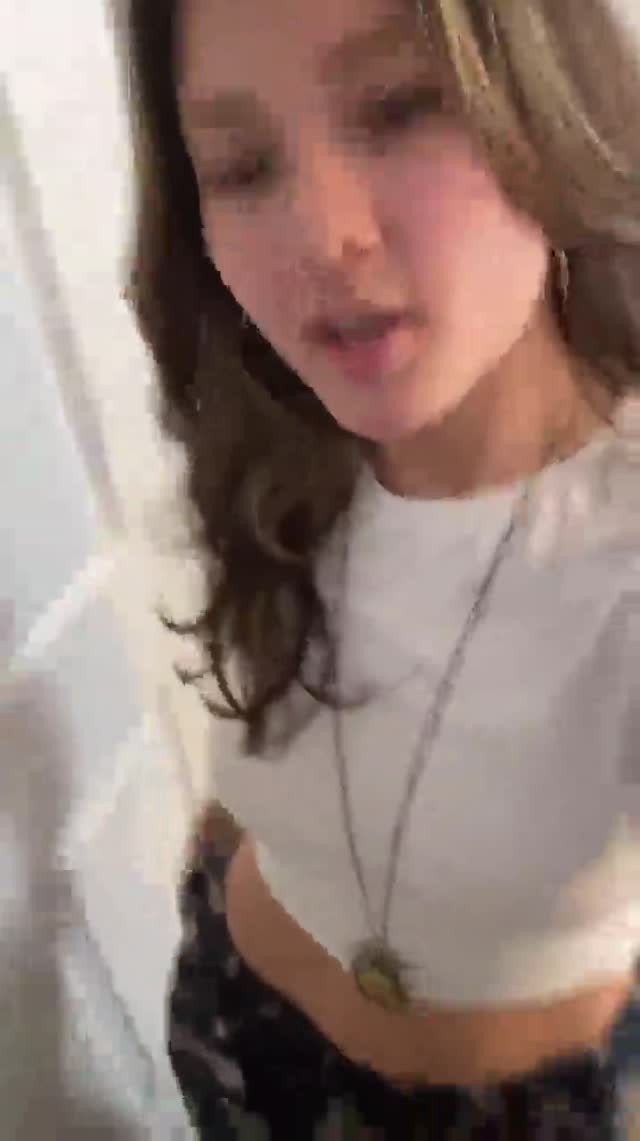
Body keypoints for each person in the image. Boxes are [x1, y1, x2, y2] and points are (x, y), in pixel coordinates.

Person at [118, 0, 639, 1136]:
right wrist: (217, 869)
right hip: (232, 1014)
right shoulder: (272, 449)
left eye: (401, 108)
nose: (322, 235)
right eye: (241, 166)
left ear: (548, 100)